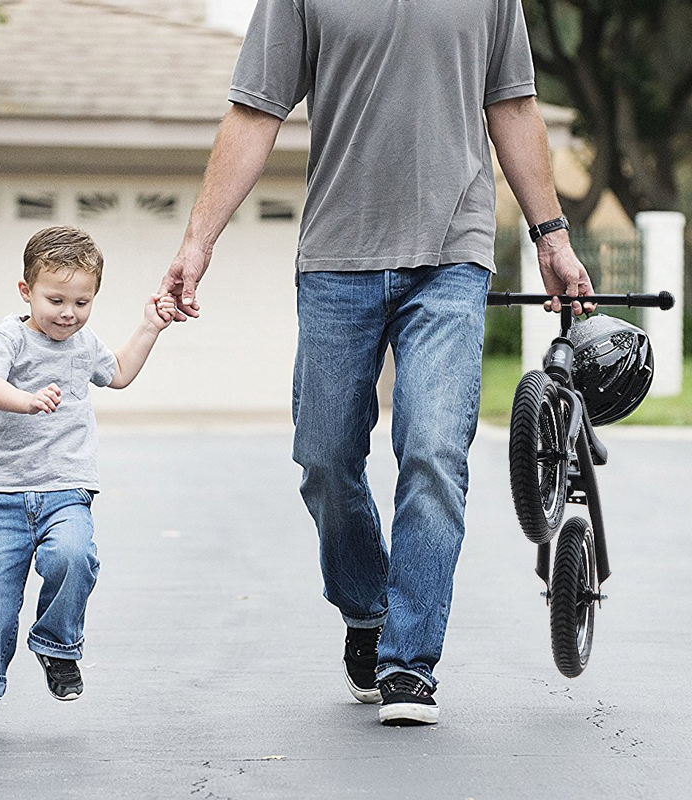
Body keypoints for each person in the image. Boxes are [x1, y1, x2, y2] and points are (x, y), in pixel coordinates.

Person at [160, 0, 595, 726]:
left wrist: (551, 236)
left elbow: (513, 105)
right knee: (325, 458)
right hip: (338, 256)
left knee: (432, 449)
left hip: (452, 255)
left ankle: (409, 664)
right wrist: (198, 240)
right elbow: (255, 111)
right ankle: (367, 610)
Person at [0, 226, 176, 734]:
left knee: (74, 558)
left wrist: (150, 327)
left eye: (82, 302)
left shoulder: (84, 343)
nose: (68, 313)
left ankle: (56, 645)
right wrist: (26, 400)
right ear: (26, 291)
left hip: (67, 492)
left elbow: (118, 373)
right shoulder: (9, 337)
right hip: (2, 496)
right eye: (55, 300)